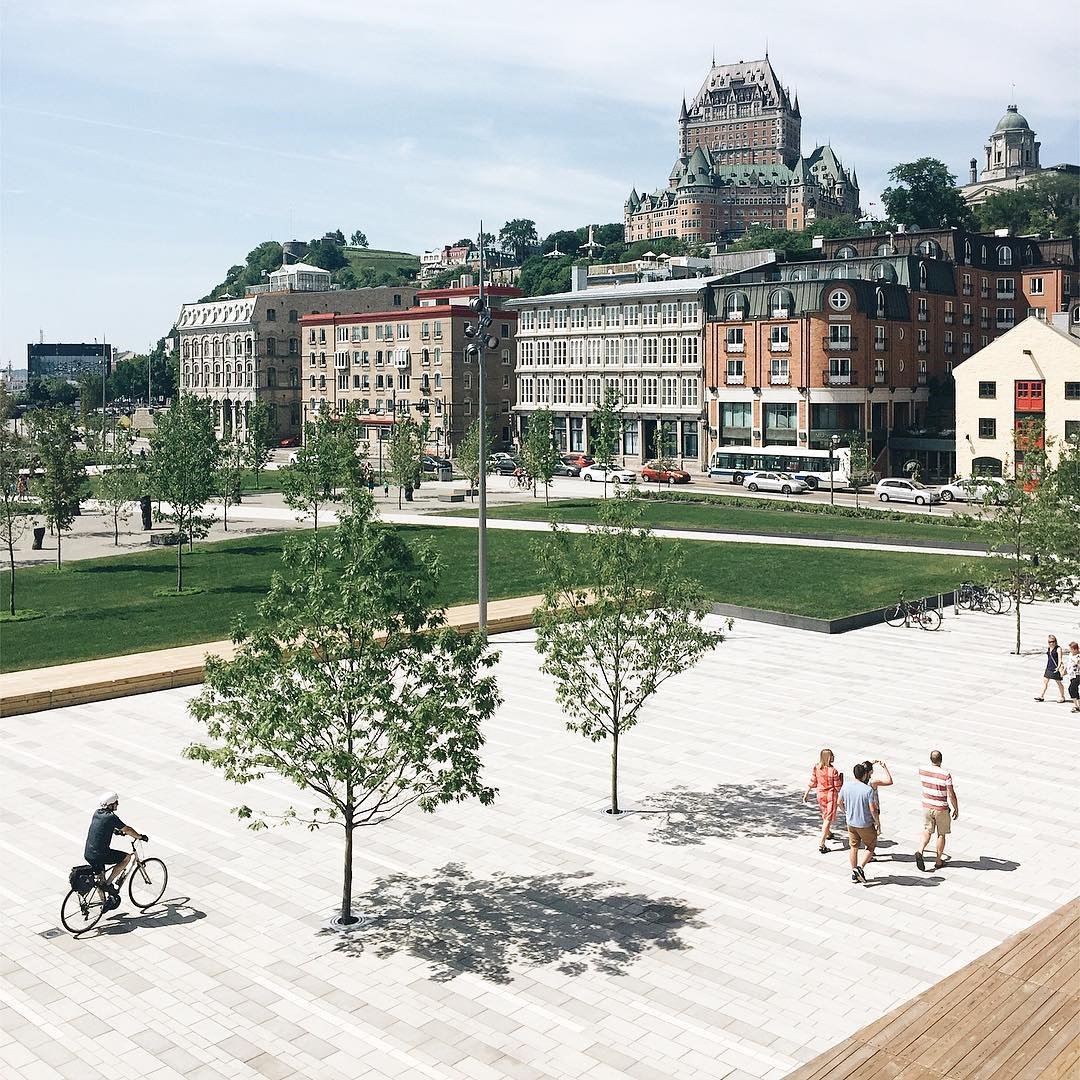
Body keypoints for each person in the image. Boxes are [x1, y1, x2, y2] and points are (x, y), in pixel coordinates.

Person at [84, 793, 147, 908]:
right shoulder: (111, 817)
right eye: (116, 802)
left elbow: (103, 826)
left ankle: (104, 903)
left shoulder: (97, 813)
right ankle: (109, 884)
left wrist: (117, 831)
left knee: (99, 879)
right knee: (127, 857)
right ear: (110, 805)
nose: (117, 804)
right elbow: (127, 829)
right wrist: (140, 837)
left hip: (89, 853)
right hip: (100, 854)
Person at [915, 751, 958, 872]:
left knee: (927, 830)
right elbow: (951, 793)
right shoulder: (946, 775)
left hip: (927, 806)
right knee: (941, 834)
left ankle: (920, 850)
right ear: (941, 760)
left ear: (930, 759)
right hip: (941, 808)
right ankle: (938, 861)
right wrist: (956, 808)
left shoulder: (922, 770)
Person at [838, 762, 879, 884]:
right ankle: (860, 868)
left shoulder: (846, 786)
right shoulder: (868, 790)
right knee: (871, 846)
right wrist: (877, 822)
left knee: (854, 847)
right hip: (865, 823)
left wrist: (846, 811)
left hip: (851, 823)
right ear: (865, 775)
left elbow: (839, 802)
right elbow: (872, 809)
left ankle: (853, 872)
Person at [803, 748, 842, 854]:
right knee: (828, 818)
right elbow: (838, 786)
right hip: (830, 796)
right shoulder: (833, 771)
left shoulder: (817, 767)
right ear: (828, 757)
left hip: (820, 795)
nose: (834, 757)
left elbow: (813, 780)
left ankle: (828, 833)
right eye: (832, 755)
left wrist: (807, 792)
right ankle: (822, 843)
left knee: (825, 816)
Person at [862, 759, 894, 844]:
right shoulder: (873, 782)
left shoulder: (860, 780)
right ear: (871, 771)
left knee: (867, 829)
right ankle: (870, 850)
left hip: (863, 807)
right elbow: (890, 781)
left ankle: (868, 846)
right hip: (873, 807)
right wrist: (885, 767)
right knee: (875, 829)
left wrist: (870, 764)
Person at [1035, 635, 1066, 702]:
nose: (1051, 643)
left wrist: (1058, 667)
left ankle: (1062, 697)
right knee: (1045, 682)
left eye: (1053, 641)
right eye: (1049, 642)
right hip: (1049, 667)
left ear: (1055, 641)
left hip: (1055, 668)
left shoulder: (1058, 648)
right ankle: (1041, 696)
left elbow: (1060, 659)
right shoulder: (1049, 648)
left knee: (1059, 683)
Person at [1063, 641, 1080, 714]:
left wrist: (1077, 661)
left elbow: (1078, 663)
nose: (1070, 651)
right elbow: (1068, 663)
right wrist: (1064, 670)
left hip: (1077, 675)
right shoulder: (1071, 654)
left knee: (1071, 689)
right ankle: (1078, 706)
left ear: (1075, 649)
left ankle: (1076, 705)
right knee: (1075, 689)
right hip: (1071, 675)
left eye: (1071, 649)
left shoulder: (1078, 656)